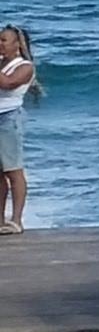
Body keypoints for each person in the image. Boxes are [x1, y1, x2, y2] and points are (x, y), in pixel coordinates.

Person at [0, 27, 33, 233]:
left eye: (4, 40)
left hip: (9, 118)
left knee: (13, 170)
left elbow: (9, 84)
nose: (0, 44)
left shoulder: (24, 66)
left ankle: (17, 219)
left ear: (17, 45)